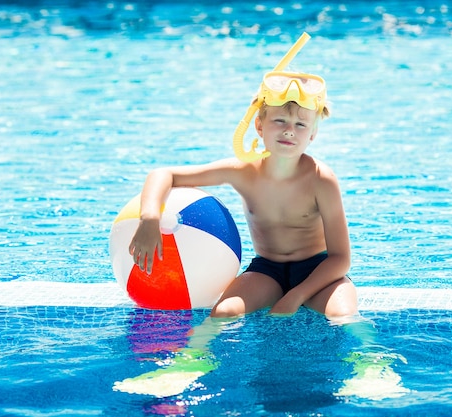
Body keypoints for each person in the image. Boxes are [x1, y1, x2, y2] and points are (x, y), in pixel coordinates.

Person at [128, 37, 358, 322]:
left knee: (343, 314)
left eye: (300, 125)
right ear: (259, 126)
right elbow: (164, 174)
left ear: (312, 135)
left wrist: (295, 296)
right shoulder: (243, 172)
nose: (289, 131)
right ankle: (193, 359)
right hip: (267, 271)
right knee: (224, 312)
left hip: (319, 272)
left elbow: (340, 258)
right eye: (280, 121)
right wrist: (149, 218)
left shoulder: (321, 179)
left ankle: (369, 363)